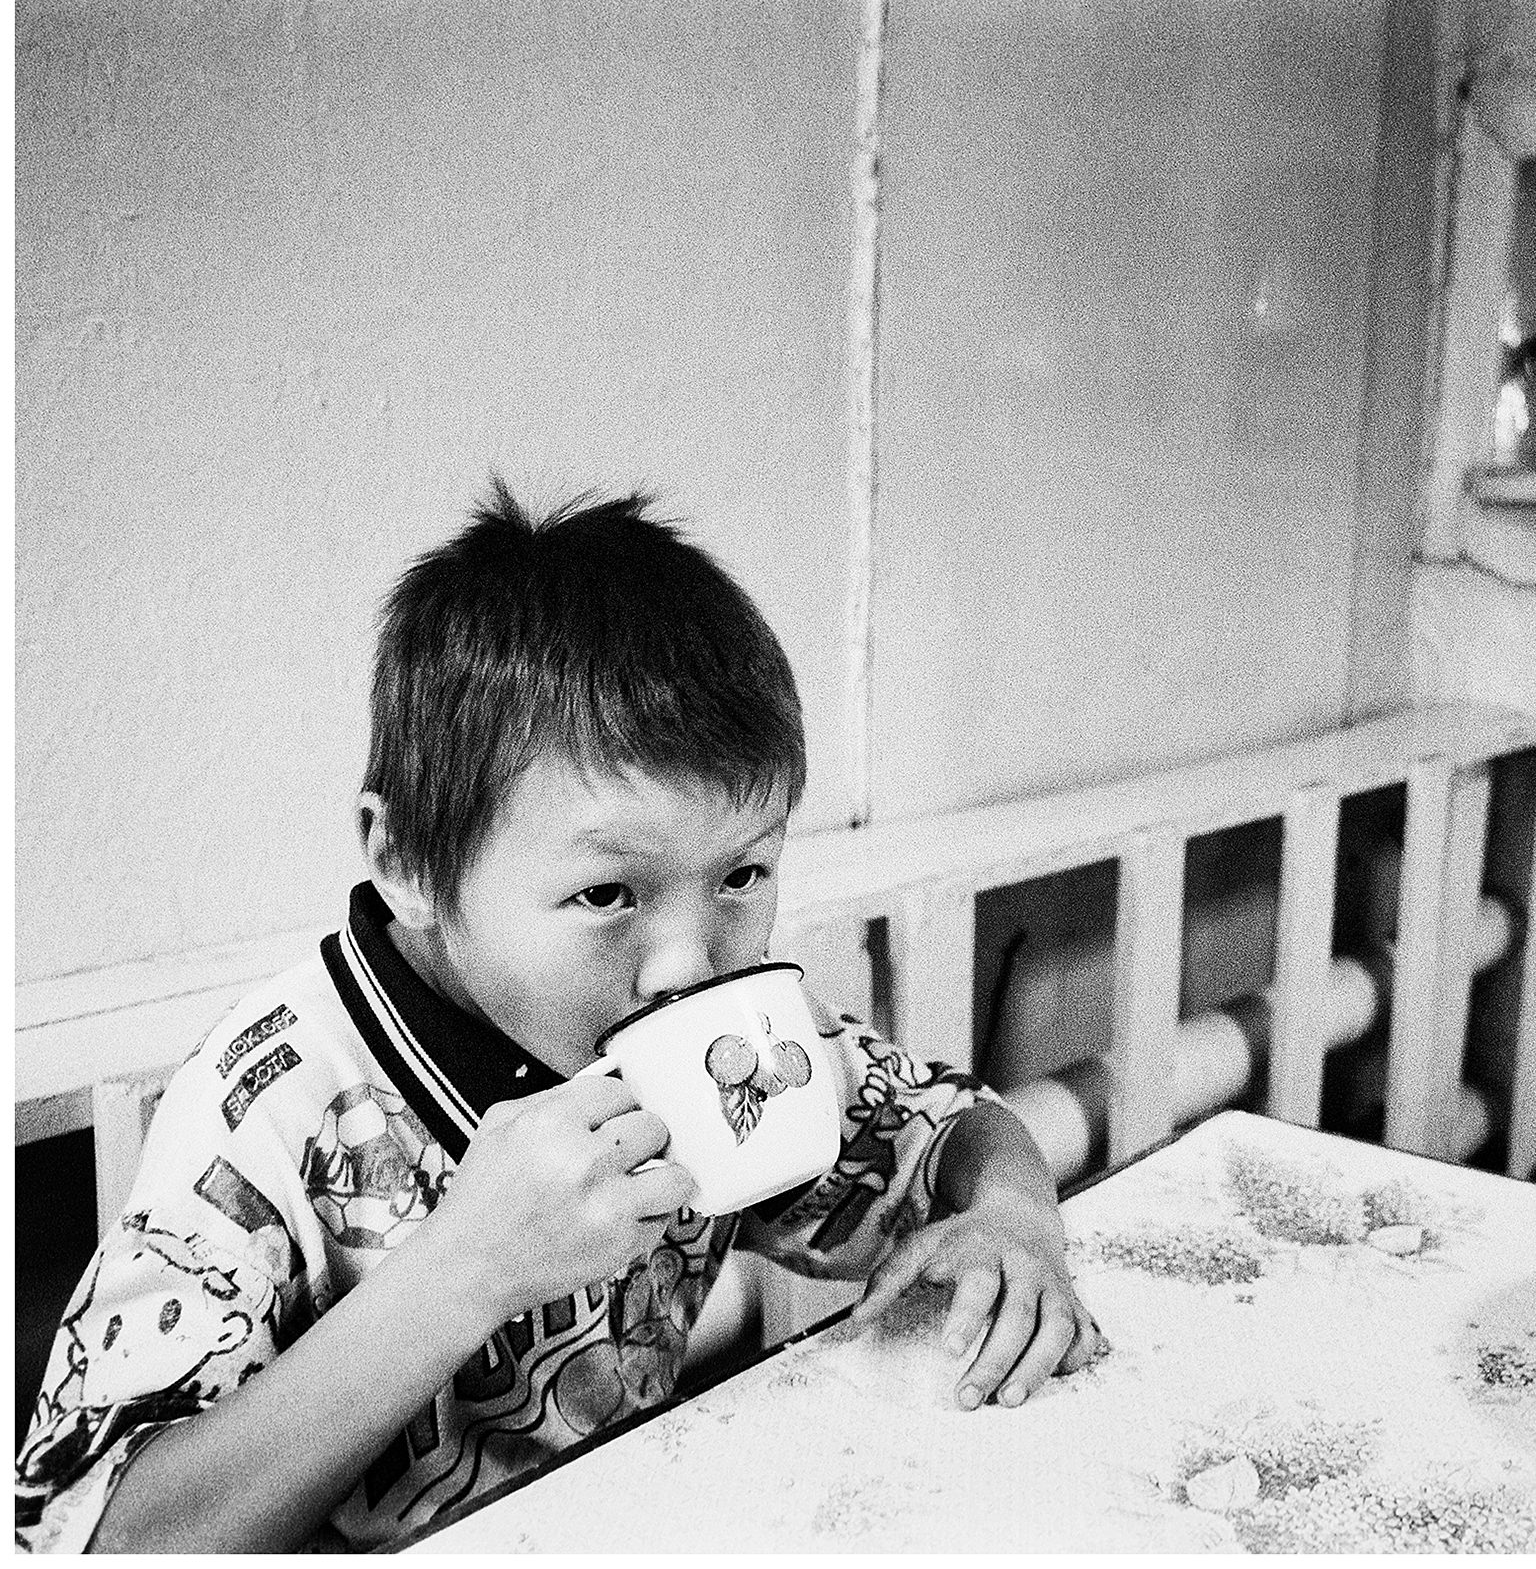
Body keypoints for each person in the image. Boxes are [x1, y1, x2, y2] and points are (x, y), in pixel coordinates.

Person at [15, 486, 1105, 1553]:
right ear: (408, 861)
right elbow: (96, 1533)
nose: (687, 964)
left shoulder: (721, 1041)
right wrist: (468, 1266)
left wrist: (1016, 1215)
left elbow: (947, 1128)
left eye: (742, 874)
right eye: (607, 892)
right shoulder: (273, 1099)